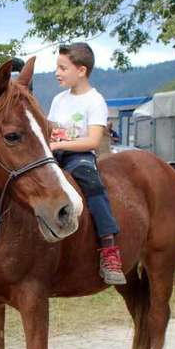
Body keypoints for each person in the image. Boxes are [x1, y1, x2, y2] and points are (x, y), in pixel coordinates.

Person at [48, 42, 126, 285]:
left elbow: (92, 141)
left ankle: (109, 251)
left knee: (93, 187)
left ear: (81, 71)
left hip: (78, 157)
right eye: (56, 68)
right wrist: (52, 141)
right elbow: (50, 130)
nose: (57, 73)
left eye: (62, 68)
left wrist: (60, 144)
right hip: (53, 153)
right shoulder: (58, 100)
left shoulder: (95, 101)